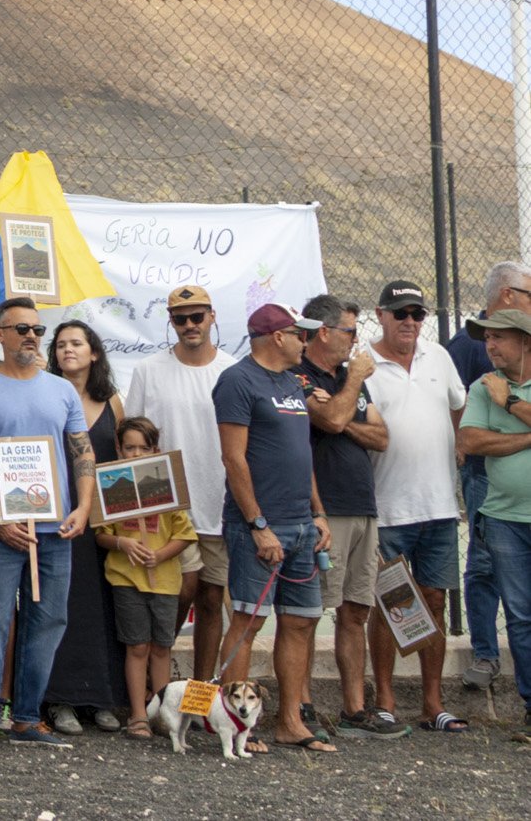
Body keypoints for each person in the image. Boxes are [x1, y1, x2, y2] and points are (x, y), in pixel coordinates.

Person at [0, 296, 91, 755]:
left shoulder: (62, 390)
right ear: (1, 334)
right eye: (22, 328)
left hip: (54, 533)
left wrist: (84, 506)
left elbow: (81, 454)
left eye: (37, 328)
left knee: (49, 622)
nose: (32, 336)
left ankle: (28, 718)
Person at [214, 300, 331, 754]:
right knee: (246, 622)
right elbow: (233, 457)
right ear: (277, 337)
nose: (307, 341)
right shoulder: (237, 381)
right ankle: (235, 729)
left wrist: (318, 511)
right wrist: (257, 523)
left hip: (303, 525)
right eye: (300, 334)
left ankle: (288, 721)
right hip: (259, 528)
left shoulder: (293, 382)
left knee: (302, 622)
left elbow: (302, 454)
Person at [366, 276, 470, 734]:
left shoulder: (440, 356)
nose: (410, 322)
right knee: (388, 605)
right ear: (381, 316)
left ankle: (433, 704)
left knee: (435, 601)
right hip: (385, 507)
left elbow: (458, 407)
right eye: (400, 313)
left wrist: (457, 445)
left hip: (439, 506)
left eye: (417, 314)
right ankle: (384, 700)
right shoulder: (362, 363)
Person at [296, 293, 400, 740]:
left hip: (363, 505)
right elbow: (334, 421)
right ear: (324, 332)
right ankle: (300, 705)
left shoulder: (343, 378)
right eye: (350, 332)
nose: (356, 343)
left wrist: (342, 404)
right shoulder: (298, 374)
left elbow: (380, 436)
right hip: (326, 508)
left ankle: (354, 707)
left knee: (356, 609)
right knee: (307, 611)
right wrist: (353, 383)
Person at [121, 284, 230, 680]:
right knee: (173, 596)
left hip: (218, 502)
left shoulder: (231, 371)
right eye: (180, 319)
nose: (189, 325)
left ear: (212, 316)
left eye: (197, 317)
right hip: (165, 509)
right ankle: (156, 692)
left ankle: (201, 692)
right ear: (171, 322)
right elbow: (132, 441)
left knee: (212, 598)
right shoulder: (149, 370)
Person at [42, 320, 126, 735]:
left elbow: (126, 461)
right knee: (63, 606)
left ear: (94, 352)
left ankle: (101, 698)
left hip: (104, 523)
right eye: (60, 345)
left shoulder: (113, 401)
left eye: (76, 343)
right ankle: (60, 700)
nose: (67, 350)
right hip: (60, 518)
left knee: (104, 606)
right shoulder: (45, 395)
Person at [451, 261, 531, 688]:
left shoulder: (501, 390)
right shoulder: (478, 370)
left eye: (499, 337)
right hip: (495, 501)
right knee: (506, 598)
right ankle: (493, 663)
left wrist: (511, 405)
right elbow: (469, 437)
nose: (491, 345)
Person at [91, 417, 196, 740]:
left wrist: (161, 554)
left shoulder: (164, 486)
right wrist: (123, 543)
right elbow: (101, 535)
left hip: (164, 581)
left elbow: (185, 534)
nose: (136, 454)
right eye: (129, 448)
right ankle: (138, 713)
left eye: (143, 448)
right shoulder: (112, 486)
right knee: (136, 647)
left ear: (155, 450)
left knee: (162, 647)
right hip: (127, 580)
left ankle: (164, 714)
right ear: (119, 451)